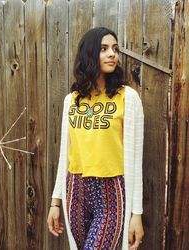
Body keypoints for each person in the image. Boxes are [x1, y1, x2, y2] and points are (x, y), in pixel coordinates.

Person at [47, 27, 144, 250]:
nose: (113, 54)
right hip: (76, 189)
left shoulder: (128, 98)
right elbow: (66, 153)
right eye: (104, 49)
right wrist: (56, 201)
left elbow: (136, 160)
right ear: (89, 54)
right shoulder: (72, 100)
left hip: (111, 191)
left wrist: (136, 214)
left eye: (115, 49)